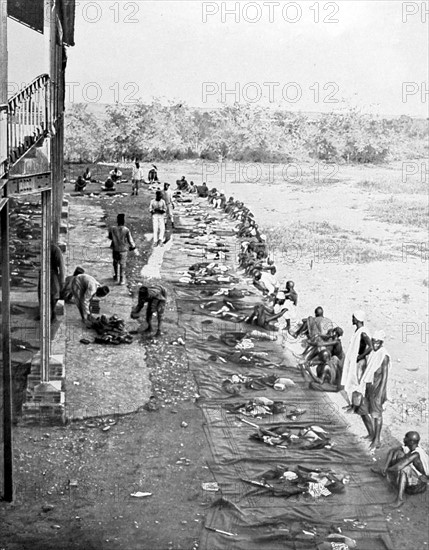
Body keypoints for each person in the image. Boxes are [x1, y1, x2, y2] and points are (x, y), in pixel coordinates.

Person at [354, 330, 390, 450]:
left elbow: (385, 377)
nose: (374, 345)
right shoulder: (373, 353)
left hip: (377, 389)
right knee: (363, 411)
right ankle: (371, 433)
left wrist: (380, 394)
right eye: (373, 342)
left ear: (381, 343)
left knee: (376, 415)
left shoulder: (384, 356)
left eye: (377, 343)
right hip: (367, 386)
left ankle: (377, 440)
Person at [376, 431, 429, 507]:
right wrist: (385, 467)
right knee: (398, 452)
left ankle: (399, 499)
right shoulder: (415, 447)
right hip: (418, 478)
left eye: (406, 438)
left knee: (404, 469)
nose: (404, 439)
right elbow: (394, 451)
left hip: (419, 485)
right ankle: (385, 472)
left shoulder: (415, 454)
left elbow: (399, 467)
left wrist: (387, 470)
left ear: (411, 441)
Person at [340, 310, 373, 409]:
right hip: (355, 360)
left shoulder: (363, 333)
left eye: (353, 318)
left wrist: (360, 356)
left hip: (359, 362)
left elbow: (371, 346)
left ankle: (357, 407)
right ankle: (353, 405)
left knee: (357, 384)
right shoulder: (358, 331)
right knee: (352, 382)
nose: (352, 320)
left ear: (357, 319)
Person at [38, 243, 65, 322]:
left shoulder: (55, 250)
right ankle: (42, 313)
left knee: (53, 294)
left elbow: (61, 266)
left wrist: (62, 280)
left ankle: (53, 315)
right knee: (41, 293)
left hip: (52, 273)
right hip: (43, 272)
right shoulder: (43, 248)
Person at [108, 213, 136, 285]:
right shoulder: (126, 230)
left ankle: (115, 276)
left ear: (117, 221)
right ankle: (121, 279)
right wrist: (133, 246)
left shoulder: (112, 229)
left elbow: (110, 237)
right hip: (123, 249)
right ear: (124, 221)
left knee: (115, 262)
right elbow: (130, 240)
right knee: (122, 264)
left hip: (115, 248)